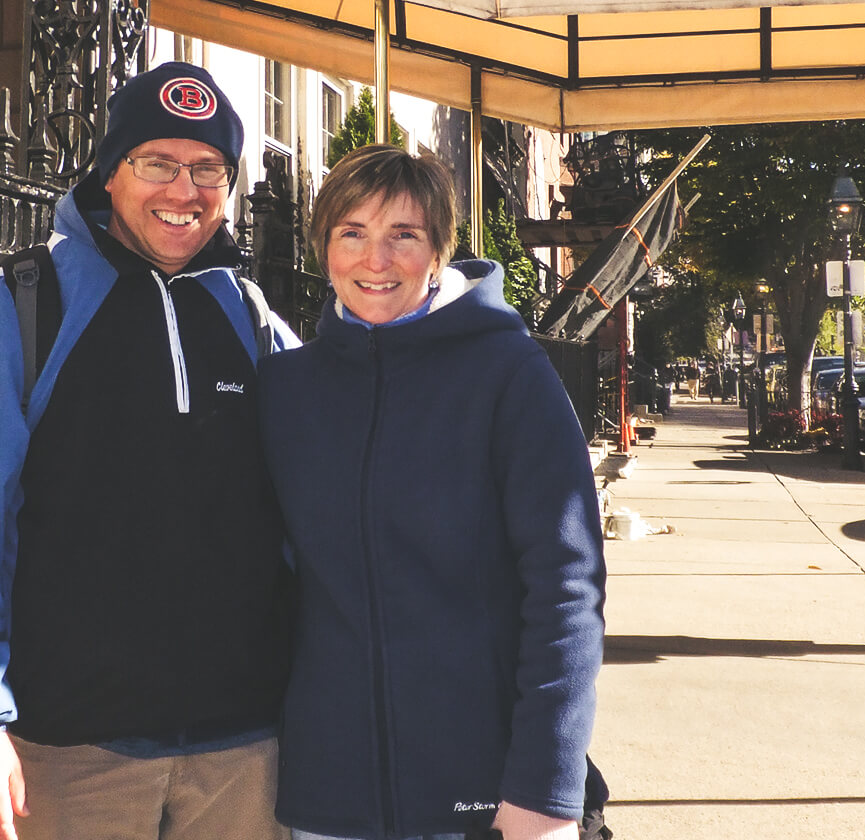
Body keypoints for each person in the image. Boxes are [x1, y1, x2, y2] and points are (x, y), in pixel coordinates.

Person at [0, 62, 295, 840]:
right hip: (70, 751)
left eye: (209, 169)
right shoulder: (23, 303)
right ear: (110, 172)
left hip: (243, 752)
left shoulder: (254, 317)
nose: (185, 191)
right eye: (158, 163)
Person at [257, 144, 606, 840]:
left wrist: (547, 782)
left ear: (440, 250)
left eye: (403, 236)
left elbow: (568, 586)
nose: (375, 261)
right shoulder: (284, 391)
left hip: (484, 790)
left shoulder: (510, 374)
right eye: (351, 233)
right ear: (324, 248)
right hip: (329, 796)